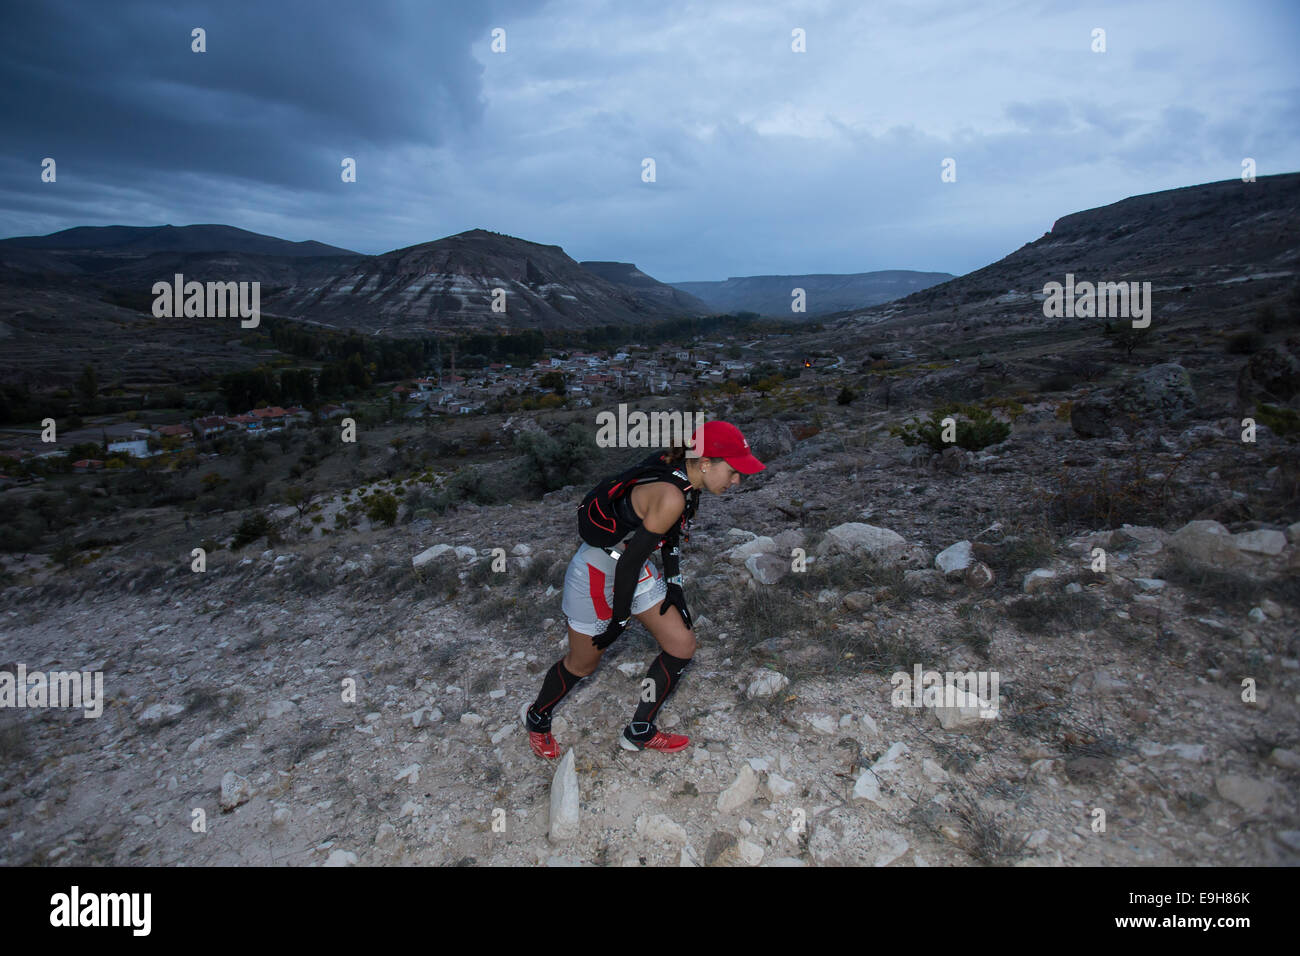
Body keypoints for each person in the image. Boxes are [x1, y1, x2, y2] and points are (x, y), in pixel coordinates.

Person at [522, 420, 765, 758]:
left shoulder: (687, 476)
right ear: (707, 462)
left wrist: (675, 586)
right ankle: (537, 717)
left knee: (681, 645)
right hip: (598, 570)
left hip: (629, 565)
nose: (738, 480)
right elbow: (628, 564)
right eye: (735, 471)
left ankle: (639, 730)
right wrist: (620, 621)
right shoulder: (671, 494)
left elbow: (669, 535)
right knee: (583, 664)